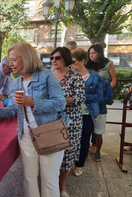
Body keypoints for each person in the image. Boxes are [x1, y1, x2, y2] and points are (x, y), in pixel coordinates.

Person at [0, 42, 67, 197]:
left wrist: (34, 102)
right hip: (26, 136)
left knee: (48, 180)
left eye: (14, 60)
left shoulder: (46, 76)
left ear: (27, 58)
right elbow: (12, 111)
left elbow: (60, 103)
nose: (10, 64)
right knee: (28, 179)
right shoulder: (16, 83)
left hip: (49, 133)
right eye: (10, 60)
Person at [51, 47, 85, 196]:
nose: (53, 61)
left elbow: (79, 99)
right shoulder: (48, 76)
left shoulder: (76, 77)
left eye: (57, 58)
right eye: (52, 58)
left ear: (65, 58)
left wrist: (58, 101)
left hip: (72, 121)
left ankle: (62, 186)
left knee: (68, 153)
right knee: (51, 151)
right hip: (51, 120)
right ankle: (50, 182)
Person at [71, 48, 103, 176]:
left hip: (87, 113)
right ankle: (68, 161)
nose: (71, 65)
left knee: (84, 140)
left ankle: (79, 164)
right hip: (70, 113)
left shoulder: (94, 77)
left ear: (83, 61)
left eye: (73, 62)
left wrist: (82, 96)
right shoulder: (69, 75)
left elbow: (100, 96)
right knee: (69, 139)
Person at [86, 43, 116, 154]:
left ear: (99, 53)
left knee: (98, 121)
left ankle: (95, 146)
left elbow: (113, 80)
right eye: (89, 53)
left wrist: (106, 90)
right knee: (87, 120)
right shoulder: (87, 65)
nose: (91, 55)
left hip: (101, 98)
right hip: (89, 98)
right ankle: (86, 143)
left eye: (93, 53)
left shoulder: (108, 63)